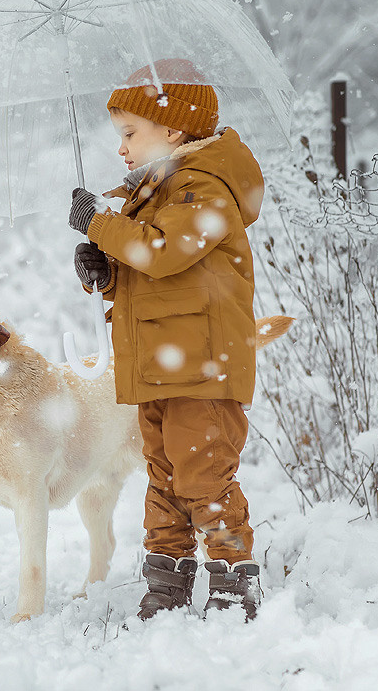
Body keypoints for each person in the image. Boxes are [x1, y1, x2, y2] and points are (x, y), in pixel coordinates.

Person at [67, 58, 267, 622]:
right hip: (158, 365)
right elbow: (154, 276)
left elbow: (163, 254)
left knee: (203, 477)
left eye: (131, 133)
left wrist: (100, 223)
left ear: (174, 129)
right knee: (163, 478)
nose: (122, 148)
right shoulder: (157, 193)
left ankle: (233, 582)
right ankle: (167, 582)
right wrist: (106, 272)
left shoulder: (203, 186)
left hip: (202, 367)